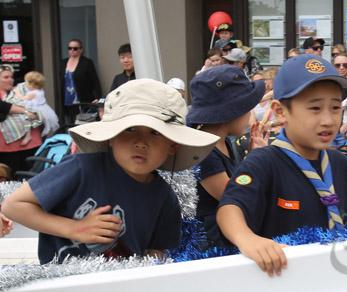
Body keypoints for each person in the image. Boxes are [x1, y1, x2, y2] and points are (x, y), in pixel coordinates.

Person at [1, 79, 219, 264]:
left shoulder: (164, 197)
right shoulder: (81, 168)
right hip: (61, 287)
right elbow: (14, 205)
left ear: (173, 145)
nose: (140, 143)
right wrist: (75, 229)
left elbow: (157, 250)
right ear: (112, 136)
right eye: (129, 129)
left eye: (155, 133)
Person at [217, 54, 347, 276]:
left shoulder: (340, 164)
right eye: (315, 108)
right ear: (281, 111)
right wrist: (248, 239)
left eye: (334, 107)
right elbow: (229, 209)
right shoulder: (263, 162)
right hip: (283, 283)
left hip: (336, 278)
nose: (328, 120)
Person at [185, 65, 265, 248]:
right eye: (247, 108)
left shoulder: (224, 142)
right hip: (211, 246)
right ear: (231, 111)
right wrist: (257, 161)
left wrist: (252, 156)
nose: (250, 115)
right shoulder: (203, 151)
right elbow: (235, 195)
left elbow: (239, 181)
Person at [0, 65, 43, 176]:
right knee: (8, 177)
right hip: (6, 146)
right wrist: (24, 111)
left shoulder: (21, 91)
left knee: (30, 175)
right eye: (6, 77)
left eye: (11, 77)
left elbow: (36, 108)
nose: (10, 80)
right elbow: (3, 107)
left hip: (30, 142)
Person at [1, 71, 59, 146]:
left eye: (27, 82)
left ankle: (28, 135)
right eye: (6, 77)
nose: (25, 84)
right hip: (41, 109)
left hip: (35, 109)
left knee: (28, 120)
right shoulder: (38, 91)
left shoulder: (31, 92)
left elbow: (22, 98)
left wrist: (16, 91)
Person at [61, 38, 101, 125]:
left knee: (81, 124)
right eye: (70, 48)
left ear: (81, 49)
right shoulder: (63, 62)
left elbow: (94, 81)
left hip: (82, 99)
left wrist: (97, 97)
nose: (72, 50)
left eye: (75, 48)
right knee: (70, 124)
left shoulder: (87, 62)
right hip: (67, 100)